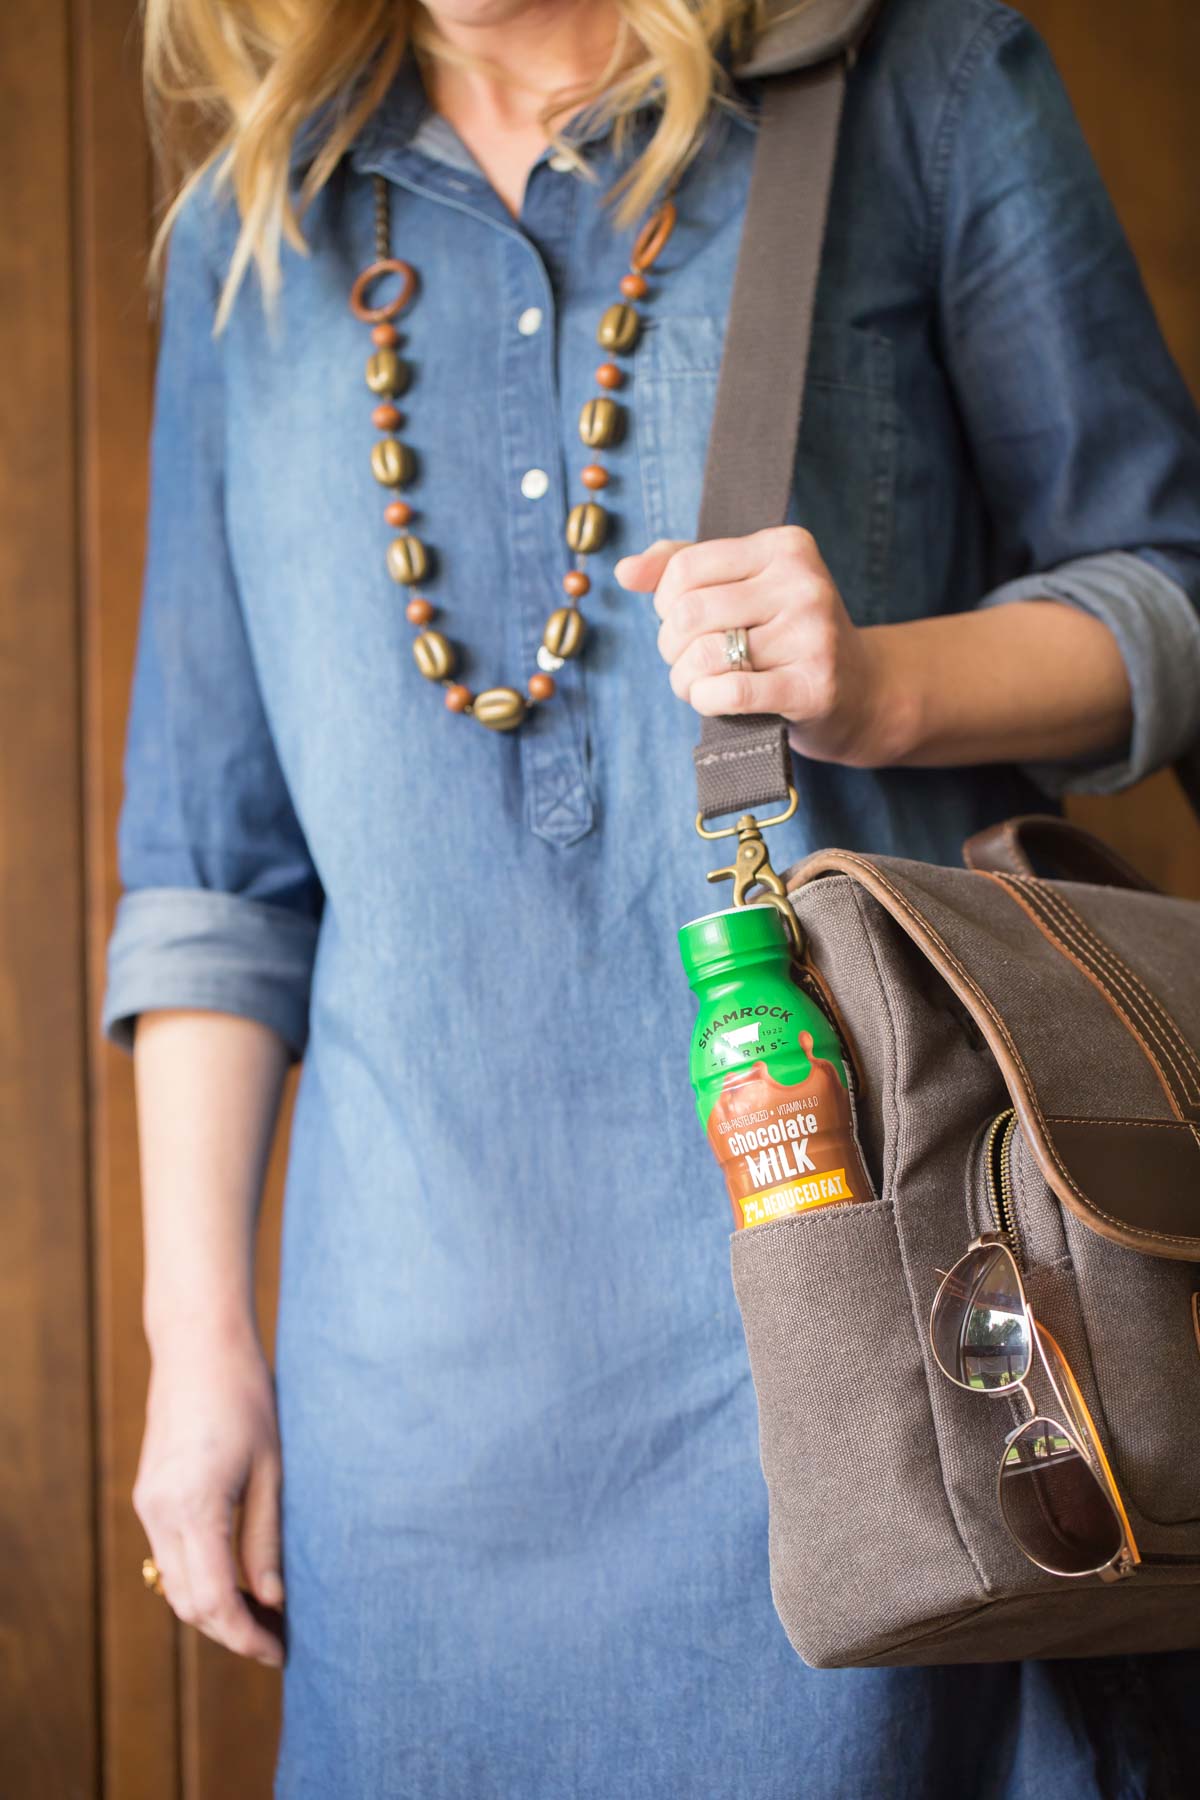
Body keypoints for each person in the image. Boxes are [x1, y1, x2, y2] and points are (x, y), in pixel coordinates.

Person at [107, 0, 1200, 1793]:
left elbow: (1171, 588)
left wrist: (886, 683)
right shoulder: (261, 214)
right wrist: (196, 1349)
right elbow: (217, 874)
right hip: (414, 1397)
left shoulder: (916, 76)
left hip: (899, 1320)